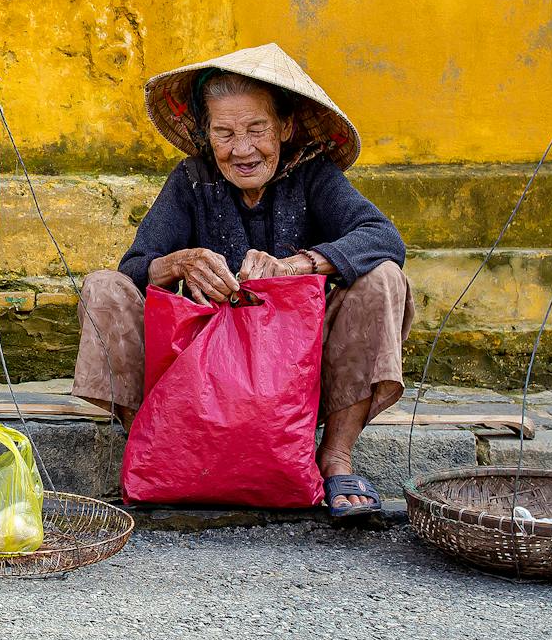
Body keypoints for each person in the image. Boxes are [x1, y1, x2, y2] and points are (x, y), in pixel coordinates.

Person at [73, 43, 413, 517]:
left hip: (291, 380)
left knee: (383, 278)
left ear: (285, 128)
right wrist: (179, 263)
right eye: (225, 132)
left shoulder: (314, 175)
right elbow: (135, 264)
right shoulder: (192, 179)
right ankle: (159, 445)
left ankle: (336, 458)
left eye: (257, 129)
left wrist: (300, 264)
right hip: (197, 381)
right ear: (208, 136)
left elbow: (383, 237)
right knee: (103, 287)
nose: (242, 149)